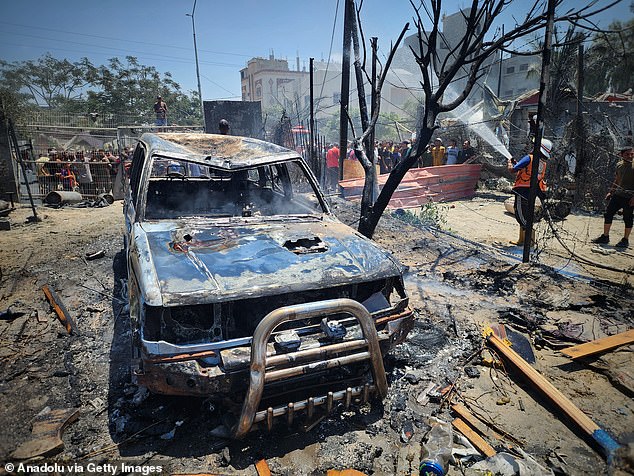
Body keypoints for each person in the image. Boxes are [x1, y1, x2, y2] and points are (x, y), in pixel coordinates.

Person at [507, 138, 553, 246]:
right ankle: (522, 240)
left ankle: (530, 242)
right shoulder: (542, 162)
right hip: (532, 191)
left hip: (522, 190)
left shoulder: (529, 158)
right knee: (526, 214)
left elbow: (513, 170)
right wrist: (517, 163)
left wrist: (510, 163)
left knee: (520, 215)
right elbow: (528, 170)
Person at [592, 145, 634, 248]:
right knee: (608, 214)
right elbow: (617, 179)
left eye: (632, 154)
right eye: (627, 154)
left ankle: (625, 240)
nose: (630, 156)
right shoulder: (619, 165)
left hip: (629, 197)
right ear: (621, 155)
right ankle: (605, 237)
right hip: (618, 195)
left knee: (627, 218)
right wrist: (611, 192)